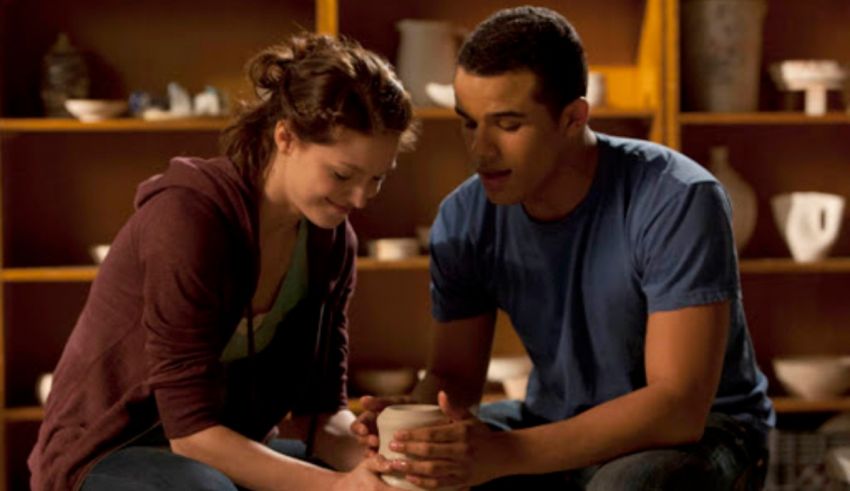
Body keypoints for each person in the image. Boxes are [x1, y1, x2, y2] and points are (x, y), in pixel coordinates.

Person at [352, 6, 775, 490]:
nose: (480, 150)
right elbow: (455, 377)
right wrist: (410, 426)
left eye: (507, 125)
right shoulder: (464, 217)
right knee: (418, 476)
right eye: (469, 123)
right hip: (554, 420)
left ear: (573, 118)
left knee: (628, 486)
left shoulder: (677, 197)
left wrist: (505, 453)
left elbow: (677, 408)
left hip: (707, 431)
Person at [29, 32, 418, 491]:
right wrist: (337, 488)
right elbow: (191, 436)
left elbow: (319, 413)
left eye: (377, 179)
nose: (360, 198)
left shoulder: (331, 242)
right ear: (286, 138)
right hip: (111, 449)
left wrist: (389, 470)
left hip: (223, 447)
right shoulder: (187, 218)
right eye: (342, 174)